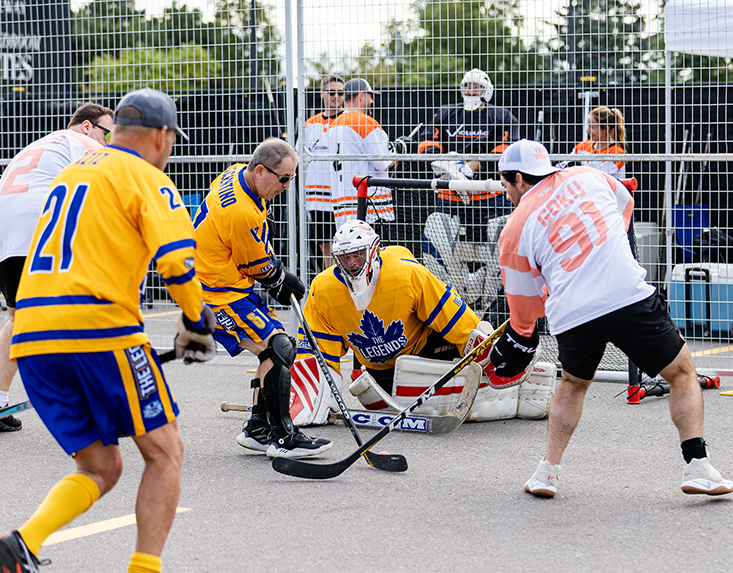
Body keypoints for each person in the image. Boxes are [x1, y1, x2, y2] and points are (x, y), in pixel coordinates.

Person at [0, 88, 216, 573]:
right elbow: (177, 262)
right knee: (165, 451)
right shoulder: (148, 178)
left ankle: (24, 541)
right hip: (98, 329)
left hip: (31, 334)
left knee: (100, 466)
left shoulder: (69, 175)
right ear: (159, 136)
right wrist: (197, 323)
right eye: (172, 140)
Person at [491, 139, 733, 499]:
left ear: (520, 179)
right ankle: (698, 466)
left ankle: (546, 474)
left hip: (572, 309)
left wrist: (545, 294)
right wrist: (606, 249)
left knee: (573, 384)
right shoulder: (588, 175)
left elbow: (524, 315)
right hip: (625, 294)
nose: (505, 192)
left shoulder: (512, 230)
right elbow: (626, 203)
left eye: (505, 184)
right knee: (682, 372)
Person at [293, 219, 556, 423]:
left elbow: (457, 321)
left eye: (357, 255)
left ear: (373, 251)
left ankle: (521, 386)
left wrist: (488, 356)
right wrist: (313, 398)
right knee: (368, 392)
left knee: (478, 341)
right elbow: (318, 356)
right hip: (380, 371)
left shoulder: (405, 273)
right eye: (344, 257)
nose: (351, 264)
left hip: (430, 350)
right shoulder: (323, 290)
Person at [193, 138, 333, 459]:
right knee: (278, 347)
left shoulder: (237, 176)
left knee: (273, 349)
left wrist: (277, 274)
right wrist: (281, 279)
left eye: (291, 179)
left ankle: (257, 429)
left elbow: (255, 243)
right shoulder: (241, 211)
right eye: (283, 179)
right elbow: (258, 267)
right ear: (260, 170)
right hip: (215, 294)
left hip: (229, 283)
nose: (286, 186)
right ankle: (284, 438)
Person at [0, 102, 113, 432]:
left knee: (17, 314)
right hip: (39, 221)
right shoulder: (85, 142)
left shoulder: (40, 144)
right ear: (86, 126)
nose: (109, 141)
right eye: (107, 133)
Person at [417, 69, 519, 322]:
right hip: (450, 197)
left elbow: (505, 150)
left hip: (489, 198)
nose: (471, 91)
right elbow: (427, 142)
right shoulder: (446, 112)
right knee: (447, 257)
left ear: (486, 90)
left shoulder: (500, 115)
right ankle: (454, 309)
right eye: (467, 86)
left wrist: (473, 165)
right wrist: (445, 163)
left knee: (494, 257)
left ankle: (491, 310)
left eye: (476, 87)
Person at [327, 78, 397, 228]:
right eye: (370, 96)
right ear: (361, 96)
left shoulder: (333, 125)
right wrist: (398, 150)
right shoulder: (365, 122)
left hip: (342, 208)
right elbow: (382, 163)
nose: (371, 101)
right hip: (370, 209)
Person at [298, 74, 345, 271]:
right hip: (317, 196)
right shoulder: (310, 124)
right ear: (322, 94)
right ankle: (330, 285)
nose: (336, 97)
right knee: (326, 246)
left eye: (341, 93)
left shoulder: (350, 120)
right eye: (331, 92)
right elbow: (298, 154)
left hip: (343, 195)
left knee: (345, 244)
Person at [569, 106, 627, 179]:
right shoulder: (582, 146)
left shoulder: (616, 153)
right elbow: (563, 166)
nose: (587, 130)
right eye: (588, 126)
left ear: (606, 128)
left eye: (592, 127)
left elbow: (597, 179)